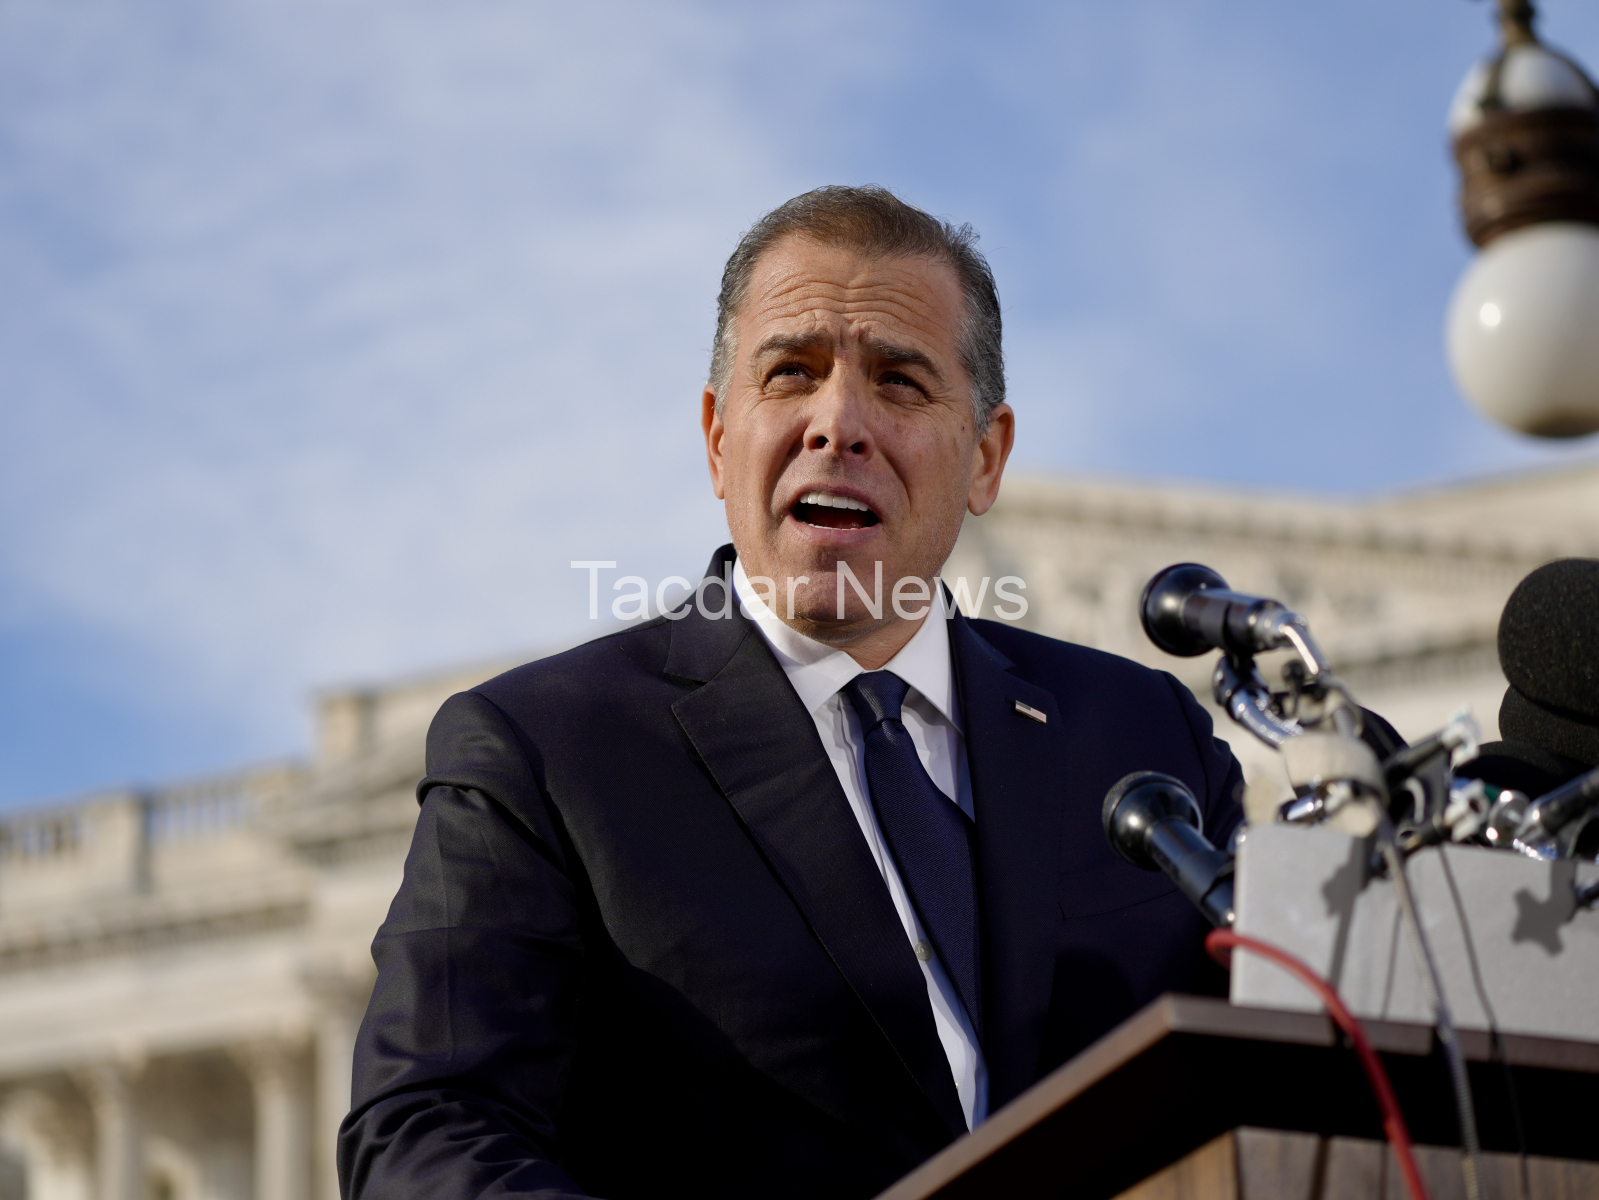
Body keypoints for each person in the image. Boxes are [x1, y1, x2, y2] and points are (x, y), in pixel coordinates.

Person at [338, 186, 1245, 1200]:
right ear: (718, 437)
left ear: (985, 458)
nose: (839, 424)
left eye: (899, 381)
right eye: (791, 373)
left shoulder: (1142, 735)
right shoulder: (543, 753)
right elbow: (426, 1132)